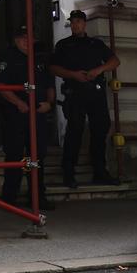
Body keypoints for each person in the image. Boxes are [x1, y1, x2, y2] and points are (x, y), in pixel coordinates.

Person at [50, 10, 120, 188]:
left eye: (79, 22)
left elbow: (115, 61)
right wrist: (73, 75)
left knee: (100, 130)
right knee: (74, 131)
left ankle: (100, 171)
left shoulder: (95, 44)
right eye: (73, 22)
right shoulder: (64, 45)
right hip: (75, 92)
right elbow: (54, 68)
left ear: (84, 23)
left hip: (95, 93)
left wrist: (98, 70)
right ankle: (68, 172)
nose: (76, 25)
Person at [0, 24, 55, 206]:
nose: (26, 42)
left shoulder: (40, 59)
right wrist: (19, 103)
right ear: (16, 40)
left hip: (38, 114)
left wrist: (50, 104)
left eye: (29, 38)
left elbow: (50, 84)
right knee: (14, 154)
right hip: (16, 115)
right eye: (22, 38)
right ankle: (10, 197)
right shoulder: (8, 58)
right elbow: (3, 87)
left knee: (37, 156)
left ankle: (37, 197)